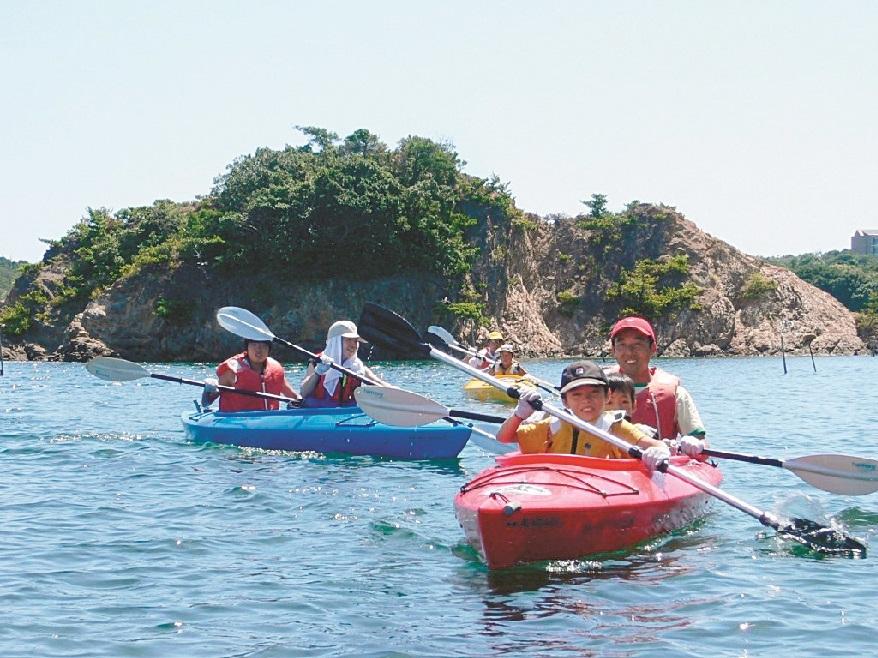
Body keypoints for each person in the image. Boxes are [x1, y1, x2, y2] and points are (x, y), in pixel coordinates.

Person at [495, 360, 670, 470]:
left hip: (603, 490)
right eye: (576, 395)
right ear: (565, 401)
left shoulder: (614, 427)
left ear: (607, 396)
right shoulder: (553, 424)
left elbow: (657, 445)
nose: (586, 400)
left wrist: (657, 452)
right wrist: (519, 414)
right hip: (560, 489)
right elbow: (503, 438)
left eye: (594, 393)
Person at [607, 316, 707, 458]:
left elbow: (702, 446)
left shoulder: (677, 394)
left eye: (637, 345)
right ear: (613, 350)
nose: (629, 352)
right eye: (622, 345)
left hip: (657, 470)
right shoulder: (597, 389)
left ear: (653, 348)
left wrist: (694, 444)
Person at [300, 320, 385, 406]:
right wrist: (317, 373)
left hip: (344, 411)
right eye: (348, 340)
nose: (353, 345)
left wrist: (396, 393)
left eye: (355, 341)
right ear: (335, 342)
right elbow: (304, 392)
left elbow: (380, 384)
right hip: (318, 412)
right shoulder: (317, 362)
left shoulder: (358, 367)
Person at [201, 338, 300, 411]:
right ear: (247, 348)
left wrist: (303, 402)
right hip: (236, 422)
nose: (258, 349)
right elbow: (207, 401)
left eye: (263, 346)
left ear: (269, 350)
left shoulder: (276, 370)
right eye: (254, 344)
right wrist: (210, 390)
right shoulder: (232, 370)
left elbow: (292, 395)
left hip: (269, 421)